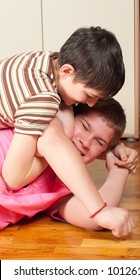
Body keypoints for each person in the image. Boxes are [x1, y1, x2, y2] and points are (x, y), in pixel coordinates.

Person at [0, 26, 127, 237]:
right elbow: (14, 177)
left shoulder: (47, 63)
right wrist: (99, 210)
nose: (91, 103)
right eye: (88, 95)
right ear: (67, 71)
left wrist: (113, 158)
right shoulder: (43, 99)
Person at [0, 99, 138, 235]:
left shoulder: (65, 185)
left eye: (99, 142)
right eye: (84, 126)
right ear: (70, 117)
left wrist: (119, 168)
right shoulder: (26, 133)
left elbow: (94, 219)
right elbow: (53, 143)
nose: (85, 142)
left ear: (101, 153)